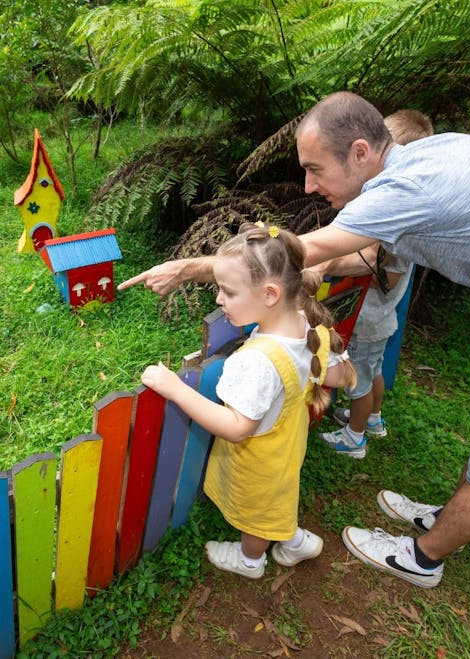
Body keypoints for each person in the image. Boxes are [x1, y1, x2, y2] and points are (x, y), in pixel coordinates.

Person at [120, 91, 470, 589]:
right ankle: (445, 516)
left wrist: (188, 267)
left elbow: (286, 253)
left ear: (361, 152)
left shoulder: (408, 189)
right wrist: (321, 270)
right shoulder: (427, 158)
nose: (308, 185)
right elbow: (368, 250)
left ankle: (422, 558)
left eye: (315, 168)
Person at [140, 222, 357, 579]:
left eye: (227, 291)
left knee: (256, 510)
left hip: (259, 456)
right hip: (287, 442)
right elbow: (340, 376)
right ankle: (291, 539)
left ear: (270, 294)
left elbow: (237, 428)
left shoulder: (256, 361)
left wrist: (175, 388)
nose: (218, 299)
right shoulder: (304, 325)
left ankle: (250, 560)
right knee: (279, 494)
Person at [316, 109, 434, 458]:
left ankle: (354, 438)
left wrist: (335, 262)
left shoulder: (398, 223)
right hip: (379, 320)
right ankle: (372, 419)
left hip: (369, 320)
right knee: (374, 371)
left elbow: (387, 276)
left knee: (359, 381)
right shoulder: (401, 214)